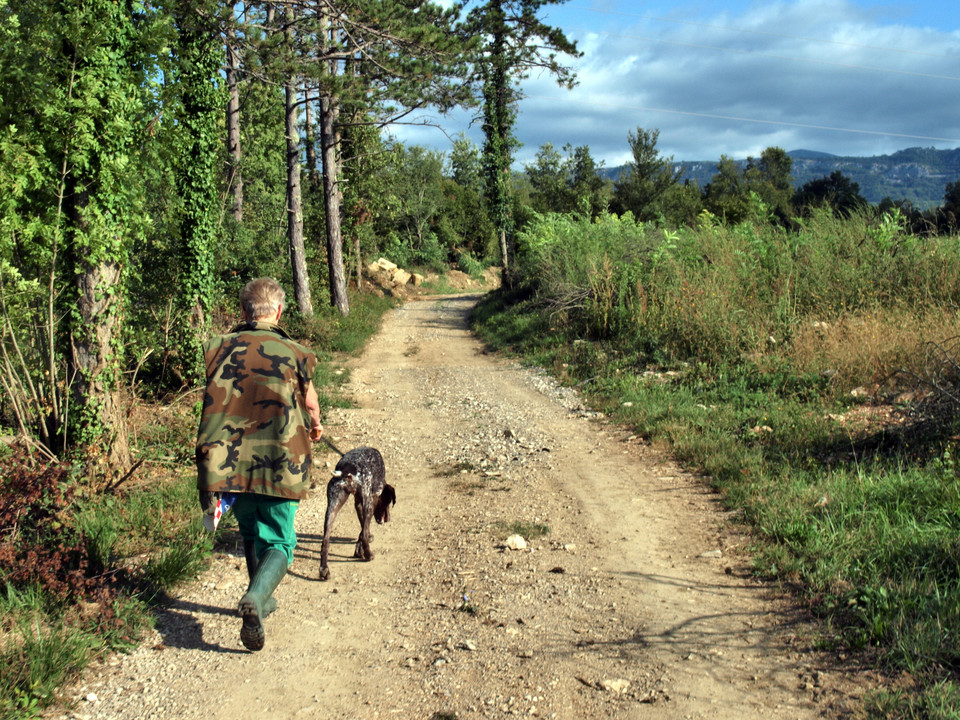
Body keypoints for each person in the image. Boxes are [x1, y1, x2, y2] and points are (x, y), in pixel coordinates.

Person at [196, 277, 323, 651]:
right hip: (279, 462)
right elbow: (311, 403)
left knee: (250, 531)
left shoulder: (217, 348)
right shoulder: (295, 352)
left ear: (243, 312)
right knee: (280, 543)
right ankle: (256, 597)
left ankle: (260, 601)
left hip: (228, 463)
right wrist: (315, 425)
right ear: (279, 311)